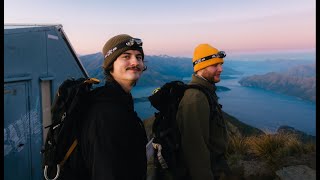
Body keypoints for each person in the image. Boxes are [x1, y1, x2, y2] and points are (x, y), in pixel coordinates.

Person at [79, 34, 148, 180]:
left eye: (139, 57)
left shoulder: (120, 103)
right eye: (126, 56)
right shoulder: (105, 112)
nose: (135, 62)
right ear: (111, 66)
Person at [175, 44, 230, 180]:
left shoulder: (205, 91)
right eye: (215, 65)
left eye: (220, 64)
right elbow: (195, 149)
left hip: (216, 164)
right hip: (212, 169)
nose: (220, 69)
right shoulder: (195, 98)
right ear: (201, 68)